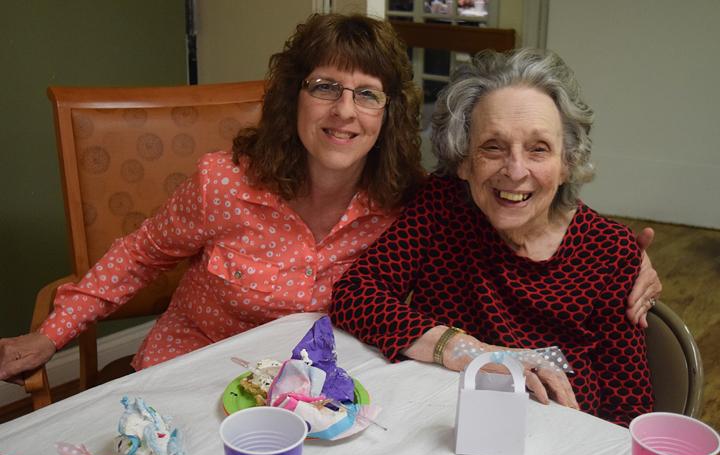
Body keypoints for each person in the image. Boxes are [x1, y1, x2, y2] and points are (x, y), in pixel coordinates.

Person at [1, 16, 658, 386]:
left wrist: (630, 259)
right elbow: (142, 253)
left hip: (315, 391)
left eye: (367, 94)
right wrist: (49, 335)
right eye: (325, 87)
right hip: (189, 374)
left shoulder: (404, 200)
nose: (345, 111)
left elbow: (525, 212)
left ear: (388, 114)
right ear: (294, 99)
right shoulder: (226, 183)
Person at [330, 49, 655, 426]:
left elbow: (630, 414)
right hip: (440, 426)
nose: (515, 171)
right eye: (493, 147)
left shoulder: (610, 253)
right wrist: (470, 351)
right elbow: (356, 294)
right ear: (463, 160)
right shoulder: (442, 207)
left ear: (567, 163)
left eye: (538, 149)